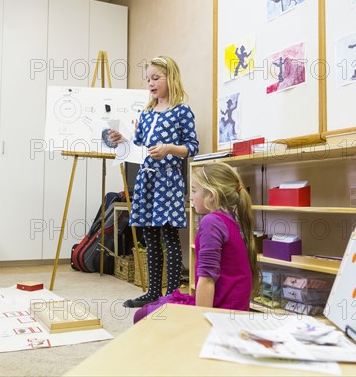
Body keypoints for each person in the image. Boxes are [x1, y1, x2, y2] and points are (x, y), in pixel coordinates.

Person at [109, 56, 199, 308]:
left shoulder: (182, 111)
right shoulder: (146, 113)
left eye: (156, 78)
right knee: (149, 236)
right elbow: (137, 145)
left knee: (168, 236)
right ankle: (152, 292)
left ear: (171, 78)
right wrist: (121, 139)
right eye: (148, 79)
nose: (151, 83)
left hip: (168, 181)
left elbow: (192, 146)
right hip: (146, 180)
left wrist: (169, 148)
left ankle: (170, 294)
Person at [133, 163, 261, 322]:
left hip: (219, 313)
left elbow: (207, 281)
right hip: (231, 310)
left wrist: (199, 324)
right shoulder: (229, 219)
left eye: (194, 191)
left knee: (141, 315)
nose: (191, 197)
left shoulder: (211, 222)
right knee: (158, 305)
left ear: (211, 196)